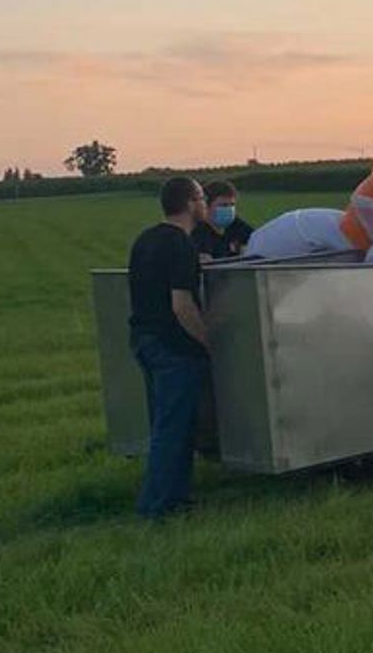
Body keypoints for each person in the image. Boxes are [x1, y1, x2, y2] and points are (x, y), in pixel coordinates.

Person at [127, 177, 211, 518]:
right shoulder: (180, 246)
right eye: (203, 198)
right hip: (173, 348)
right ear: (190, 203)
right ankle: (156, 506)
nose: (205, 204)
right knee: (172, 428)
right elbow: (181, 305)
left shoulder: (145, 240)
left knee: (174, 425)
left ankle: (177, 498)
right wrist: (207, 341)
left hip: (144, 340)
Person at [191, 180, 254, 259]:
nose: (228, 209)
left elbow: (255, 240)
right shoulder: (197, 233)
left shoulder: (237, 225)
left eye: (232, 205)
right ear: (206, 206)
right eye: (223, 205)